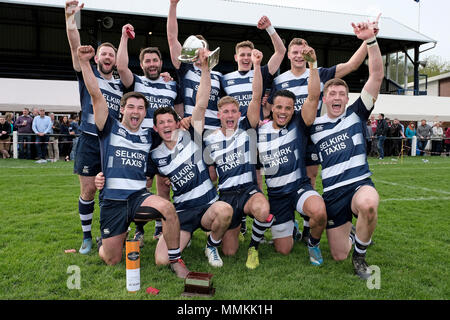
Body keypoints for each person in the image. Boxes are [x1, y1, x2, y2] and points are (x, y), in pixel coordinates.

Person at [77, 44, 189, 278]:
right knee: (112, 259)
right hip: (113, 202)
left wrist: (186, 122)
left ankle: (176, 259)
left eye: (140, 108)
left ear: (144, 112)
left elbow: (172, 139)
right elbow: (96, 93)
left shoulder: (150, 135)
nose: (135, 111)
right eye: (131, 107)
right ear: (122, 109)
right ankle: (103, 243)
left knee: (168, 208)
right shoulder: (108, 128)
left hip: (138, 198)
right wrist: (86, 63)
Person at [309, 19, 384, 279]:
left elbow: (376, 76)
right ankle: (355, 232)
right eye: (333, 94)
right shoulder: (313, 125)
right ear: (326, 98)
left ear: (346, 97)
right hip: (332, 194)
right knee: (338, 253)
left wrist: (371, 41)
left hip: (357, 184)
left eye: (342, 93)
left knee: (369, 204)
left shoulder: (356, 114)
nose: (338, 97)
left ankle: (360, 257)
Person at [148, 49, 233, 268]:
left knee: (225, 211)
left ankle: (212, 245)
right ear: (156, 128)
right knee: (161, 261)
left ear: (177, 123)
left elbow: (202, 103)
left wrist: (205, 68)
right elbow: (156, 190)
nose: (167, 126)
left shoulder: (191, 134)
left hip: (208, 206)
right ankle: (181, 239)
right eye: (162, 123)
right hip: (183, 212)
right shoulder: (155, 155)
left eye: (170, 121)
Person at [257, 43, 327, 266]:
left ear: (293, 109)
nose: (284, 112)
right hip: (276, 195)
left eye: (288, 108)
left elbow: (313, 97)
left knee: (320, 212)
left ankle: (313, 244)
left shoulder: (299, 121)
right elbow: (255, 95)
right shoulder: (260, 129)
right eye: (279, 107)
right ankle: (291, 228)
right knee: (283, 250)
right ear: (272, 107)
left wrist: (313, 64)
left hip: (299, 188)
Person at [203, 49, 273, 269]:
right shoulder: (209, 139)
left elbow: (255, 97)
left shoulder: (246, 128)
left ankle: (253, 247)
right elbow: (211, 175)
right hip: (227, 194)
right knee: (230, 251)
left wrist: (257, 66)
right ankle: (214, 242)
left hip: (248, 190)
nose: (230, 115)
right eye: (226, 112)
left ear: (239, 113)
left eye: (234, 111)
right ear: (219, 115)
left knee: (263, 209)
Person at [65, 1, 124, 254]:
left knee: (111, 190)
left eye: (111, 54)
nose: (108, 57)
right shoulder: (87, 72)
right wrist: (70, 18)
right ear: (97, 57)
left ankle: (107, 234)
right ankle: (87, 237)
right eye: (104, 53)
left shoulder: (123, 83)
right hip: (89, 139)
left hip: (112, 143)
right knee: (89, 189)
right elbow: (74, 46)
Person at [117, 24, 184, 245]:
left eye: (155, 60)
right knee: (141, 184)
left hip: (164, 141)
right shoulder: (136, 81)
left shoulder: (171, 85)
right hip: (140, 142)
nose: (152, 64)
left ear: (161, 63)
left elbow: (180, 115)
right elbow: (121, 66)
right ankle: (137, 228)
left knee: (164, 184)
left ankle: (160, 225)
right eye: (148, 61)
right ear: (142, 63)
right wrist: (124, 38)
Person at [221, 15, 286, 236]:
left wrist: (270, 29)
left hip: (257, 133)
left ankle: (264, 218)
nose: (247, 57)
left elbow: (281, 52)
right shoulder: (225, 78)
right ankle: (237, 216)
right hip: (233, 137)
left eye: (250, 54)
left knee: (259, 177)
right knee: (232, 175)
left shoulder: (262, 71)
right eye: (243, 54)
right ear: (236, 56)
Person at [167, 0, 223, 131]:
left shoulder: (218, 75)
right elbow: (172, 38)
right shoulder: (185, 68)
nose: (201, 52)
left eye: (203, 47)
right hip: (191, 127)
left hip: (215, 130)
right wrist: (173, 5)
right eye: (196, 48)